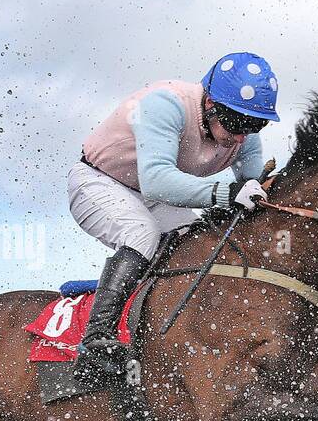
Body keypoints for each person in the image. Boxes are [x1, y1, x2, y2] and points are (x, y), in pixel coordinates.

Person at [68, 52, 281, 383]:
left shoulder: (243, 133)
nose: (243, 137)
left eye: (256, 125)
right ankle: (95, 341)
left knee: (195, 247)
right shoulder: (165, 104)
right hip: (98, 182)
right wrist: (226, 194)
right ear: (210, 102)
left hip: (151, 197)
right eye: (238, 123)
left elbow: (252, 187)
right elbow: (157, 182)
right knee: (141, 235)